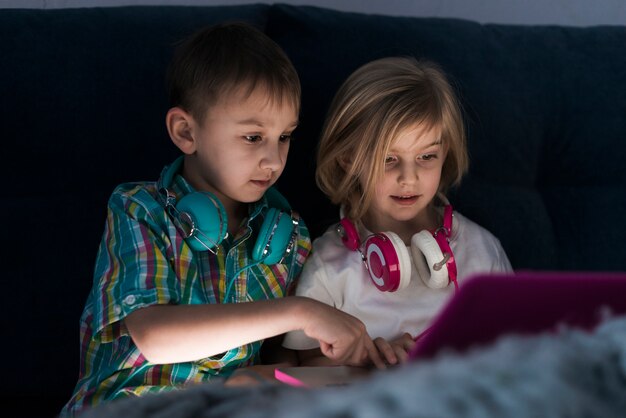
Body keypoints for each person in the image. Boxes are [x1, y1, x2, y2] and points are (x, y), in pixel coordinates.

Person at [61, 22, 384, 417]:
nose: (273, 160)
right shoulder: (140, 208)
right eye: (253, 137)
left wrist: (366, 359)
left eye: (284, 137)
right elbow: (155, 336)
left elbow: (291, 363)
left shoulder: (289, 237)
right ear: (185, 132)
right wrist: (302, 311)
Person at [282, 56, 513, 366]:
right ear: (347, 159)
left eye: (427, 156)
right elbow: (308, 367)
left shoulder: (482, 250)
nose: (409, 177)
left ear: (446, 153)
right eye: (388, 159)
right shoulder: (328, 265)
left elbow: (517, 351)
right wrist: (365, 362)